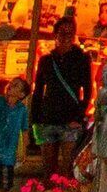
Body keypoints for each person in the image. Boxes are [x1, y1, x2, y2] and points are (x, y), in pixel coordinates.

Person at [30, 15, 95, 176]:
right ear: (55, 35)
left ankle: (63, 191)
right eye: (63, 33)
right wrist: (35, 119)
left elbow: (87, 90)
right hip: (48, 117)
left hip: (70, 118)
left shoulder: (81, 59)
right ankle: (48, 191)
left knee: (68, 167)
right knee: (48, 168)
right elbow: (38, 91)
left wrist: (78, 116)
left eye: (70, 33)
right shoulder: (46, 61)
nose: (66, 37)